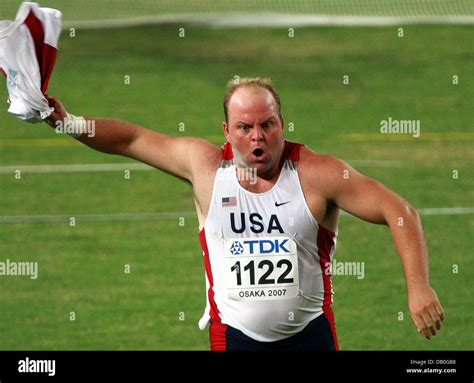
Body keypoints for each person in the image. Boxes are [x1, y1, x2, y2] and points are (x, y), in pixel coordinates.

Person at [44, 77, 444, 351]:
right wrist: (66, 122)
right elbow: (131, 139)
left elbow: (400, 210)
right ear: (226, 130)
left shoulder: (317, 174)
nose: (257, 136)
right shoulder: (205, 169)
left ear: (282, 123)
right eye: (245, 126)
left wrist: (418, 286)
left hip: (310, 336)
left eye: (268, 125)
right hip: (234, 338)